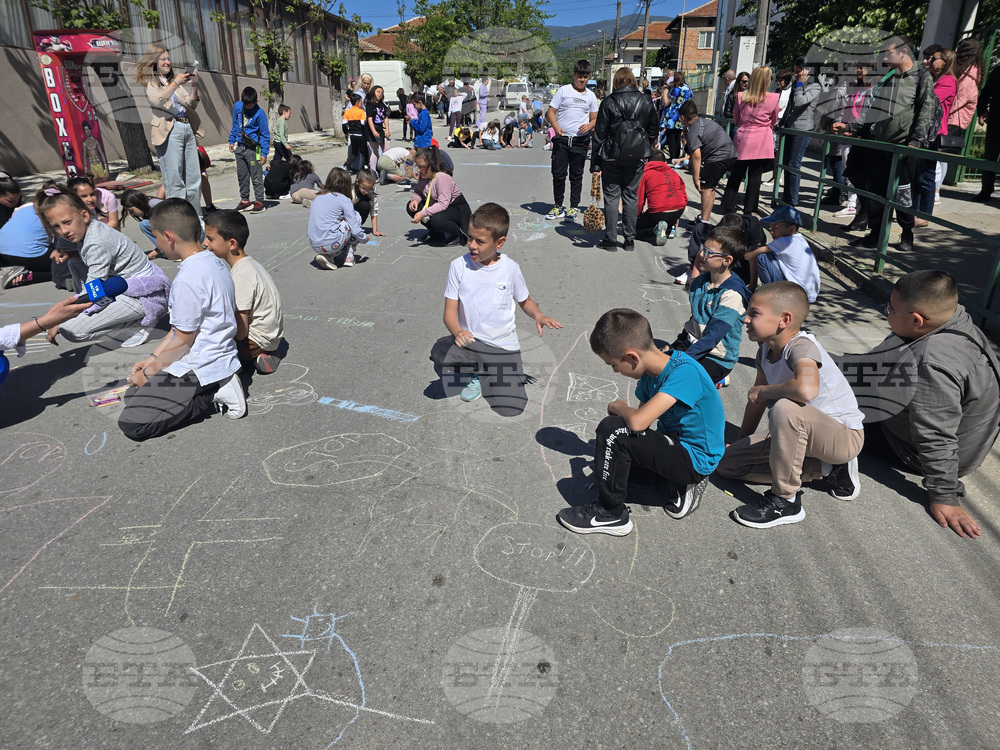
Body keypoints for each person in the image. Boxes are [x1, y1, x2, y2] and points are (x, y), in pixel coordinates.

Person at [557, 307, 725, 536]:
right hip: (674, 444)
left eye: (613, 365)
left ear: (632, 357)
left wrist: (619, 407)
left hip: (695, 458)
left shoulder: (685, 373)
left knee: (612, 429)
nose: (615, 371)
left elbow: (636, 423)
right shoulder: (648, 378)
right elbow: (641, 426)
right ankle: (669, 482)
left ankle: (611, 514)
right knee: (611, 469)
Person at [861, 270, 1000, 538]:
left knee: (824, 411)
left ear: (917, 319)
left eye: (891, 309)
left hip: (914, 450)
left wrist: (945, 495)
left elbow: (935, 433)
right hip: (958, 436)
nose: (886, 312)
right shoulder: (956, 319)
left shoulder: (930, 361)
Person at [717, 281, 864, 527]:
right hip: (803, 433)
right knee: (727, 465)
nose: (745, 320)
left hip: (843, 437)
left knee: (784, 407)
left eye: (754, 313)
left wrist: (765, 390)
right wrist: (742, 439)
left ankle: (785, 501)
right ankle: (825, 469)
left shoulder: (801, 346)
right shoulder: (764, 349)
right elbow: (756, 401)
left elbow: (805, 390)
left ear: (784, 319)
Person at [118, 199, 244, 441]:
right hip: (210, 354)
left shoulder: (188, 279)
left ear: (169, 237)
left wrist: (150, 372)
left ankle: (215, 391)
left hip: (201, 365)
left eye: (155, 237)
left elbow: (184, 339)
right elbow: (179, 328)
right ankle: (206, 386)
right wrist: (152, 359)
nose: (156, 244)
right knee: (133, 395)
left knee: (133, 425)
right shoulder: (213, 261)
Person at [429, 202, 562, 417]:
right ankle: (478, 371)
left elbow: (525, 301)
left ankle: (491, 372)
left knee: (512, 409)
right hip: (472, 343)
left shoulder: (510, 269)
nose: (472, 245)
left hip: (503, 347)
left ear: (499, 242)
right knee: (440, 352)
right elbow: (449, 313)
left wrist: (539, 315)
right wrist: (458, 332)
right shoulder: (458, 267)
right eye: (470, 237)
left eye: (480, 241)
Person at [834, 35, 936, 254]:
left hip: (904, 148)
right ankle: (876, 235)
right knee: (877, 193)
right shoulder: (889, 78)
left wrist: (916, 142)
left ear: (903, 52)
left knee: (903, 194)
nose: (884, 56)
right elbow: (873, 111)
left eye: (888, 52)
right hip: (881, 146)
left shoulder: (921, 77)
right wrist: (850, 127)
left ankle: (906, 233)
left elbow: (925, 110)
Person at [36, 186, 169, 348]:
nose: (63, 231)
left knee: (70, 330)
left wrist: (60, 317)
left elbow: (93, 288)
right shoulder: (88, 229)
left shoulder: (96, 241)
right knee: (74, 263)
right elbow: (96, 266)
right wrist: (71, 255)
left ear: (84, 215)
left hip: (143, 295)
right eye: (56, 226)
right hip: (123, 284)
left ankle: (137, 324)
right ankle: (115, 315)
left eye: (67, 222)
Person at [203, 209, 284, 375]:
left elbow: (240, 333)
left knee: (206, 341)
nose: (205, 243)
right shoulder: (249, 264)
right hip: (271, 334)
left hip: (257, 340)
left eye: (210, 239)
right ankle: (264, 352)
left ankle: (255, 355)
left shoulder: (240, 277)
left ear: (232, 244)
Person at [669, 224, 750, 387]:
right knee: (654, 368)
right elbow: (695, 320)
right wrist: (677, 345)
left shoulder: (732, 295)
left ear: (727, 261)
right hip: (693, 344)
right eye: (702, 248)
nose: (701, 254)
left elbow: (712, 338)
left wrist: (681, 360)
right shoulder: (700, 282)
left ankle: (716, 378)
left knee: (675, 383)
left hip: (716, 357)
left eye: (709, 252)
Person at [590, 66, 658, 252]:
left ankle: (611, 239)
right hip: (637, 155)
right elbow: (653, 129)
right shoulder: (646, 100)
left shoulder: (609, 101)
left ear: (616, 82)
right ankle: (629, 239)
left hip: (611, 155)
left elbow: (599, 134)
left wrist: (595, 162)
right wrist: (645, 145)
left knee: (612, 196)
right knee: (631, 195)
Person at [137, 43, 203, 208]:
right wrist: (175, 84)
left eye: (168, 58)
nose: (168, 62)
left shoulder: (174, 82)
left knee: (194, 178)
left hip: (186, 127)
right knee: (175, 181)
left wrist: (194, 84)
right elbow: (157, 100)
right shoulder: (152, 82)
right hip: (169, 131)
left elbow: (191, 104)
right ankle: (180, 219)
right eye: (163, 59)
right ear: (154, 62)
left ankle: (197, 217)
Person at [545, 60, 600, 221]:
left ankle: (573, 207)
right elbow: (550, 112)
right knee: (559, 174)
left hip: (580, 141)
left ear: (588, 77)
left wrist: (589, 125)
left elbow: (595, 118)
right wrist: (555, 127)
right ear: (574, 75)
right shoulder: (563, 91)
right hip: (562, 140)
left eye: (585, 77)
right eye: (579, 77)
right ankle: (558, 206)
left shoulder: (591, 96)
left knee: (576, 175)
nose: (582, 80)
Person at [721, 66, 779, 217]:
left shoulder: (741, 96)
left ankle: (728, 205)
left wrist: (745, 125)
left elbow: (736, 117)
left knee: (736, 173)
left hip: (744, 136)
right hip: (762, 138)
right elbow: (773, 119)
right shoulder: (773, 98)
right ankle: (749, 210)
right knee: (755, 176)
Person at [913, 48, 956, 221]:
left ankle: (924, 215)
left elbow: (929, 100)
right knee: (918, 175)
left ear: (944, 62)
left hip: (934, 133)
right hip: (925, 131)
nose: (930, 61)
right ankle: (914, 212)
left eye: (934, 58)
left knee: (927, 176)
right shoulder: (936, 79)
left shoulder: (948, 81)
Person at [745, 206, 820, 302]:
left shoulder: (784, 241)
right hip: (808, 294)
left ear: (791, 229)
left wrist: (751, 251)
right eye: (770, 228)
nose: (771, 232)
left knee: (762, 257)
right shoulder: (800, 239)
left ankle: (769, 294)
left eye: (775, 228)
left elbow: (749, 256)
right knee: (769, 255)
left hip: (795, 292)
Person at [678, 100, 736, 223]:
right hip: (731, 153)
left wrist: (695, 178)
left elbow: (696, 156)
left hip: (718, 156)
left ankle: (703, 224)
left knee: (705, 188)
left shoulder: (693, 131)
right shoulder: (705, 122)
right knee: (710, 188)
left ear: (682, 117)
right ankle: (705, 218)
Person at [944, 39, 984, 202]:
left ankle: (935, 192)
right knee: (940, 155)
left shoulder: (969, 74)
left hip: (953, 120)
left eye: (959, 48)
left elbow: (958, 100)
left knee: (940, 155)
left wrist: (941, 114)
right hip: (952, 118)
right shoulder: (968, 71)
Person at [779, 57, 821, 207]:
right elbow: (790, 106)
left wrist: (799, 85)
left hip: (802, 130)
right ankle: (785, 199)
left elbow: (799, 102)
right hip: (790, 128)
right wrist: (782, 122)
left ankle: (792, 201)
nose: (795, 75)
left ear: (807, 70)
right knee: (785, 165)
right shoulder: (797, 84)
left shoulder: (815, 87)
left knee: (793, 165)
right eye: (794, 72)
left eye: (798, 72)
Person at [407, 146, 471, 244]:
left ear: (431, 165)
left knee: (437, 220)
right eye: (417, 166)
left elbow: (443, 204)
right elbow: (418, 192)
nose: (418, 170)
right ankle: (437, 233)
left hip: (456, 209)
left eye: (421, 167)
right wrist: (415, 200)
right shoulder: (424, 177)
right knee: (411, 207)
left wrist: (423, 213)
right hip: (441, 207)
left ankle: (459, 234)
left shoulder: (442, 178)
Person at [307, 167, 367, 270]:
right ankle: (349, 255)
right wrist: (364, 238)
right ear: (347, 185)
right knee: (355, 216)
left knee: (333, 224)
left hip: (315, 244)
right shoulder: (343, 199)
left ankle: (328, 256)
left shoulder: (318, 198)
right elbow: (355, 227)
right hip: (332, 243)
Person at [0, 181, 53, 289]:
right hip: (24, 253)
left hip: (3, 251)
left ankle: (27, 267)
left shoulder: (26, 207)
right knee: (70, 266)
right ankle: (28, 276)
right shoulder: (54, 211)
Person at [228, 86, 270, 214]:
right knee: (242, 176)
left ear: (256, 101)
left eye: (251, 106)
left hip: (253, 149)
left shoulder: (260, 114)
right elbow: (235, 124)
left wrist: (264, 153)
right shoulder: (238, 107)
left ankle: (259, 202)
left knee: (256, 176)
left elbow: (264, 134)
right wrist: (231, 140)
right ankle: (245, 201)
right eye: (246, 106)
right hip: (240, 148)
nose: (248, 108)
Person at [636, 151, 687, 245]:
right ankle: (669, 229)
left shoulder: (646, 174)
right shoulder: (674, 174)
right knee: (667, 218)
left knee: (633, 231)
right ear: (665, 162)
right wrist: (677, 217)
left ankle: (654, 230)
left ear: (647, 162)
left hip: (657, 212)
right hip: (678, 211)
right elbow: (684, 196)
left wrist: (637, 217)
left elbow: (640, 200)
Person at [974, 63, 1000, 202]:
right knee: (990, 156)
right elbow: (986, 92)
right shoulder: (998, 71)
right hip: (996, 123)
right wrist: (982, 110)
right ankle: (986, 189)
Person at [119, 189, 163, 258]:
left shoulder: (153, 204)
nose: (132, 214)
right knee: (144, 224)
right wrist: (149, 256)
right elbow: (163, 240)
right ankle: (169, 250)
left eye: (131, 211)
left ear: (138, 203)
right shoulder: (147, 214)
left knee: (144, 224)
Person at [659, 71, 691, 159]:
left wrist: (665, 93)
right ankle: (677, 157)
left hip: (673, 117)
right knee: (679, 136)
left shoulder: (675, 89)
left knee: (671, 137)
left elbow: (666, 103)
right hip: (683, 116)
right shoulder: (688, 89)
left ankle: (673, 157)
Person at [352, 168, 384, 237]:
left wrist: (375, 230)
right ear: (357, 182)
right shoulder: (351, 192)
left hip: (359, 215)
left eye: (369, 189)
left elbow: (374, 211)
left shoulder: (372, 192)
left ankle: (357, 226)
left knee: (365, 205)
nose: (366, 191)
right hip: (348, 214)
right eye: (363, 188)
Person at [366, 85, 391, 170]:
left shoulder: (382, 104)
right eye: (378, 92)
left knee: (386, 149)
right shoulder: (370, 104)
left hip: (380, 128)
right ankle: (373, 171)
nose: (380, 94)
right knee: (375, 151)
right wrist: (373, 131)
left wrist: (387, 130)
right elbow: (369, 118)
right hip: (372, 129)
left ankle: (387, 168)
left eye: (381, 92)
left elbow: (385, 118)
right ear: (374, 92)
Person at [344, 93, 370, 173]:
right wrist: (366, 135)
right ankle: (365, 166)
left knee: (354, 153)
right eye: (361, 102)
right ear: (357, 103)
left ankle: (346, 166)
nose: (362, 104)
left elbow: (344, 124)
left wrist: (346, 133)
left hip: (352, 135)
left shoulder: (347, 112)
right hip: (360, 135)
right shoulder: (361, 112)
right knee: (364, 151)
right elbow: (363, 124)